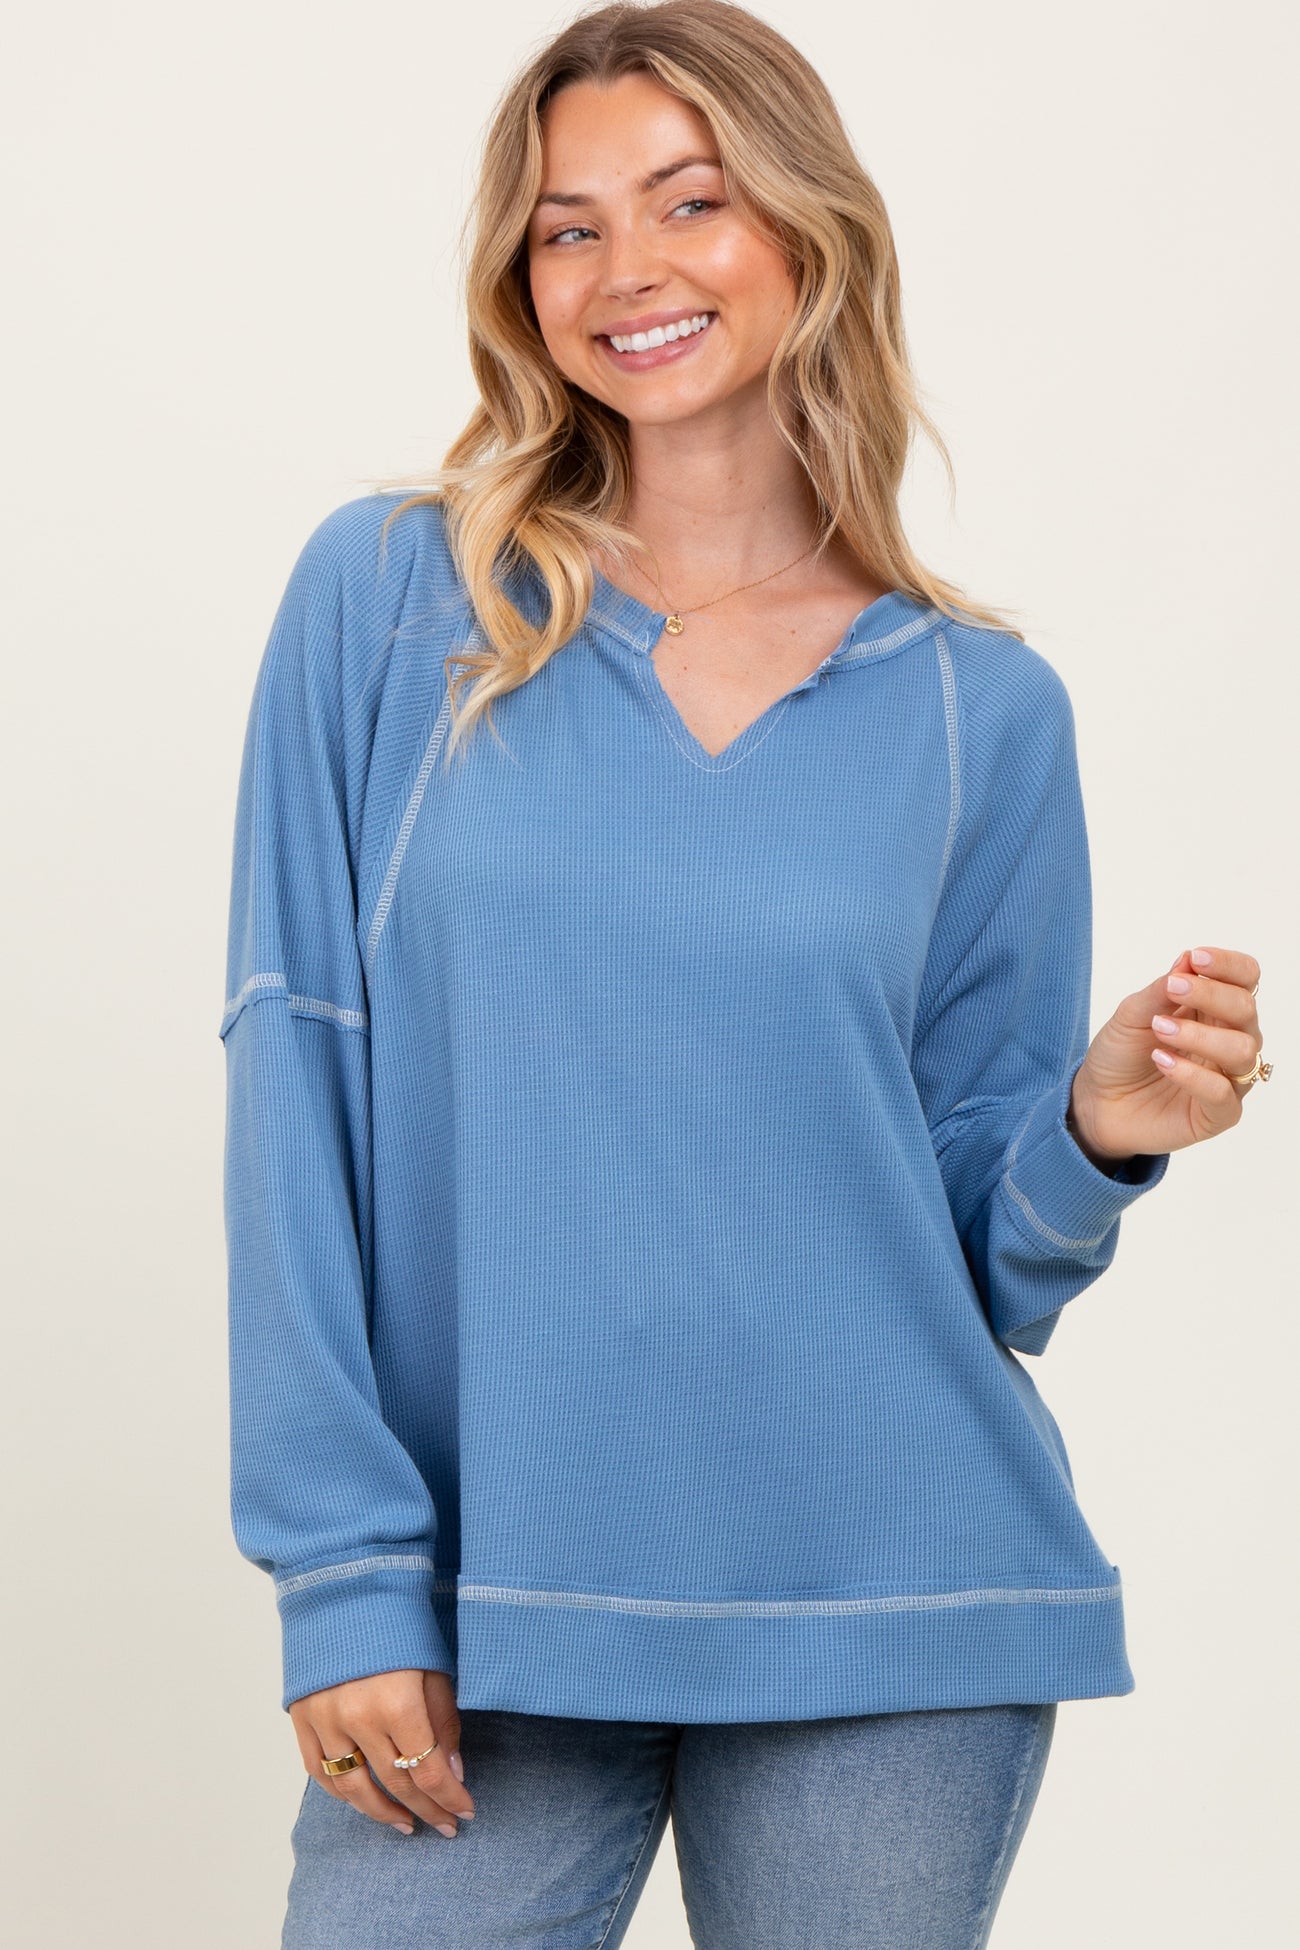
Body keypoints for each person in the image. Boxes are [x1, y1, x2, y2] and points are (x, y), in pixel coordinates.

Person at [217, 4, 1270, 1943]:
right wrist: (345, 1574)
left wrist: (1089, 1128)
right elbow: (295, 1083)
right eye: (567, 227)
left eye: (688, 202)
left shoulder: (979, 711)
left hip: (892, 1605)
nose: (626, 268)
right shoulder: (390, 605)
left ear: (807, 231)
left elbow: (981, 1255)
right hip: (484, 1599)